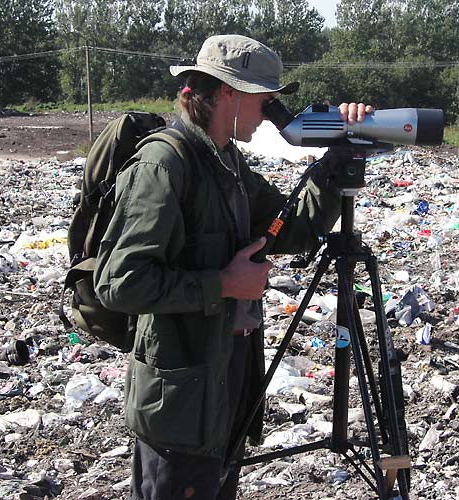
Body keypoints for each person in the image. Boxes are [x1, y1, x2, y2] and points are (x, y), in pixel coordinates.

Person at [93, 34, 372, 500]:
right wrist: (221, 284)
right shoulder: (166, 165)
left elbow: (290, 229)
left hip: (224, 383)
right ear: (228, 92)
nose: (270, 110)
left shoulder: (227, 163)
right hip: (180, 399)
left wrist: (335, 163)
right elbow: (119, 283)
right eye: (265, 98)